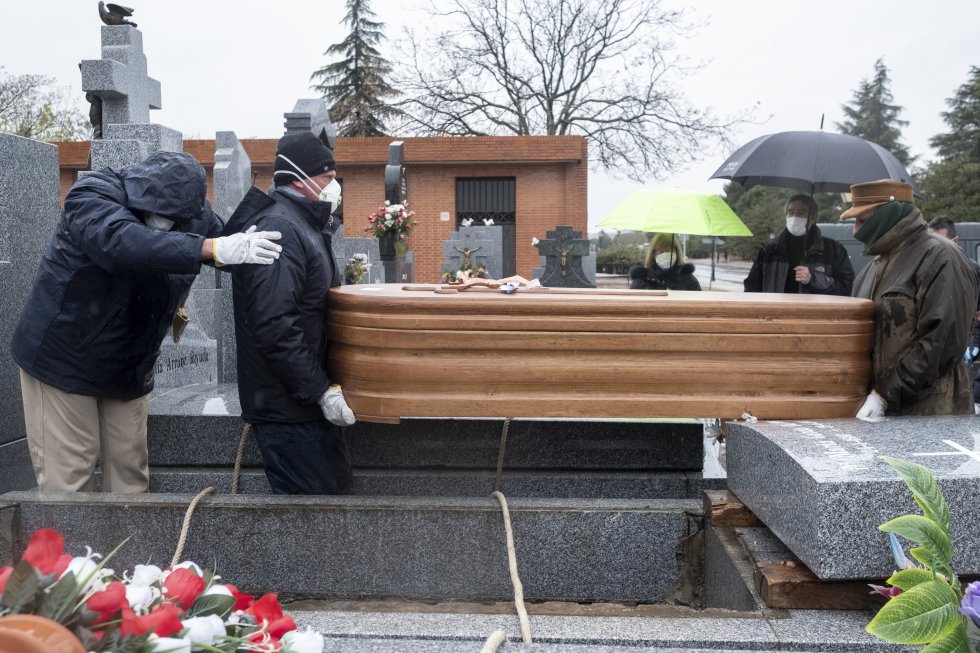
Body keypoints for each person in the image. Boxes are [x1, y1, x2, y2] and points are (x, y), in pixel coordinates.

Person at [11, 151, 283, 493]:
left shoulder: (194, 215)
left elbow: (230, 241)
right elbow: (123, 243)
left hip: (128, 363)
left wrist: (285, 220)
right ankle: (70, 549)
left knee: (130, 476)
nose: (166, 221)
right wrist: (209, 248)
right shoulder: (93, 195)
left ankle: (127, 549)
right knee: (69, 480)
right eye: (158, 211)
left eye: (176, 217)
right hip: (64, 359)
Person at [226, 131, 355, 495]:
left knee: (332, 506)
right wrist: (319, 390)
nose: (334, 187)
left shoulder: (304, 224)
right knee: (308, 526)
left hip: (303, 402)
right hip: (288, 406)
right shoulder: (281, 228)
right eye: (328, 178)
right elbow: (274, 323)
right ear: (300, 176)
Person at [847, 180, 979, 420]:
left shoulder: (940, 256)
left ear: (890, 214)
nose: (855, 231)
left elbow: (943, 341)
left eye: (863, 221)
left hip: (934, 414)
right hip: (882, 416)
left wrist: (884, 394)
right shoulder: (870, 271)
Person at [743, 194, 854, 295]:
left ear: (813, 217)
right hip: (775, 315)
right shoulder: (769, 251)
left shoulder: (833, 250)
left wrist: (814, 278)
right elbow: (751, 287)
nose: (795, 217)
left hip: (813, 315)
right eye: (791, 212)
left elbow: (847, 287)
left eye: (801, 212)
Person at [928, 215, 980, 404]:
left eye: (941, 242)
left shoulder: (973, 271)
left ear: (955, 241)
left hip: (963, 345)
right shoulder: (925, 270)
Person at [628, 233, 701, 290]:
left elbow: (700, 304)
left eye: (668, 250)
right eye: (660, 251)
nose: (665, 254)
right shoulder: (642, 279)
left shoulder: (687, 278)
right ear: (653, 254)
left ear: (677, 252)